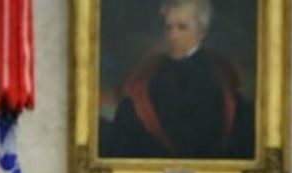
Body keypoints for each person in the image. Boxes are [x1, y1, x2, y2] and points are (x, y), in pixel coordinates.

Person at [104, 0, 254, 159]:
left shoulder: (219, 76)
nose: (173, 36)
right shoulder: (151, 71)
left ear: (201, 32)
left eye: (182, 27)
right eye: (169, 28)